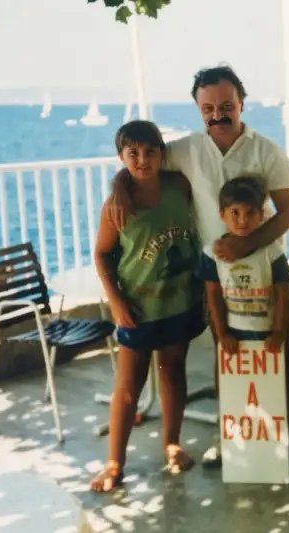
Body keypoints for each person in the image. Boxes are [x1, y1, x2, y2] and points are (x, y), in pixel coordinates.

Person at [111, 64, 289, 472]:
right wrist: (120, 184)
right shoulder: (188, 149)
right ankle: (233, 437)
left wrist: (246, 242)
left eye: (226, 105)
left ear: (241, 103)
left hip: (266, 268)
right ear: (199, 109)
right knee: (227, 352)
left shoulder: (264, 150)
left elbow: (288, 212)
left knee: (281, 354)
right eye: (208, 107)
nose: (218, 114)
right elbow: (144, 162)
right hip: (217, 278)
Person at [90, 120, 206, 492]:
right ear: (121, 158)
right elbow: (102, 255)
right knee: (128, 386)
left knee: (173, 372)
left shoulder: (178, 186)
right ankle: (114, 463)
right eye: (133, 154)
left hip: (180, 300)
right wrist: (116, 301)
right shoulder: (117, 205)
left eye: (150, 151)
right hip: (138, 310)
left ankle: (172, 443)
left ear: (161, 153)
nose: (143, 160)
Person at [196, 176, 289, 477]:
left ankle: (285, 447)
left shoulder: (272, 252)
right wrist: (222, 334)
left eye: (250, 213)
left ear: (262, 216)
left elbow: (283, 294)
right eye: (234, 213)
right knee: (236, 390)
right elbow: (212, 296)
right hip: (236, 334)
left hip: (268, 333)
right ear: (222, 215)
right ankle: (231, 442)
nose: (243, 220)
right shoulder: (212, 254)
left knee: (276, 389)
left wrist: (279, 332)